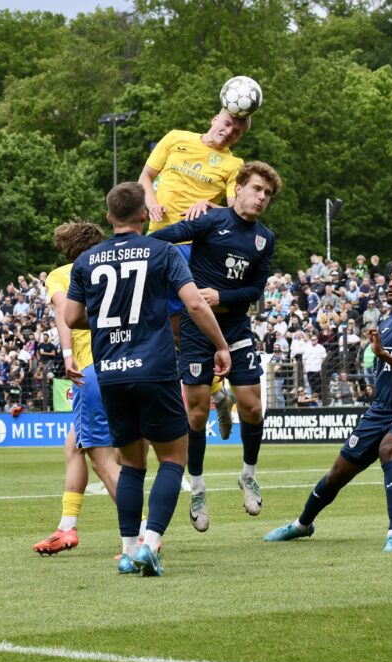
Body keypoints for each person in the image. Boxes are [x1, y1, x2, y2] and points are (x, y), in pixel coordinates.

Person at [65, 182, 231, 577]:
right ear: (145, 215)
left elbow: (72, 317)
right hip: (155, 368)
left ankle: (127, 550)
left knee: (132, 465)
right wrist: (220, 345)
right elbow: (193, 303)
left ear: (109, 217)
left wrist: (114, 319)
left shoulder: (86, 260)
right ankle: (151, 543)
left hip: (110, 374)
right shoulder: (164, 251)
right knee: (173, 459)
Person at [264, 263, 392, 552]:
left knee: (390, 448)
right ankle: (301, 525)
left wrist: (383, 354)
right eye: (390, 279)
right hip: (379, 410)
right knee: (336, 474)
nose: (391, 284)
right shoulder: (386, 323)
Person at [150, 161, 281, 531]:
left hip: (236, 326)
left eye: (267, 194)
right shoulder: (210, 220)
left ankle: (249, 474)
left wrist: (220, 295)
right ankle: (198, 486)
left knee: (252, 406)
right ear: (238, 186)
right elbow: (166, 235)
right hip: (196, 329)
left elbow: (255, 291)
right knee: (194, 414)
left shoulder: (264, 239)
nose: (261, 198)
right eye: (256, 189)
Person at [138, 108, 250, 440]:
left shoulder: (233, 165)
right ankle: (218, 393)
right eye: (228, 124)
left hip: (191, 247)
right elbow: (145, 177)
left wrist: (208, 205)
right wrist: (152, 201)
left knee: (187, 325)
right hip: (156, 241)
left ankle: (214, 388)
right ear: (216, 117)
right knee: (169, 332)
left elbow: (235, 211)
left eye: (237, 132)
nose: (229, 133)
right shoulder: (176, 138)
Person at [31, 222, 122, 556]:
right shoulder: (116, 264)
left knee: (103, 461)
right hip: (128, 364)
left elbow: (62, 309)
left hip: (91, 369)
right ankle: (66, 528)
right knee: (75, 446)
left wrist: (67, 355)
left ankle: (141, 533)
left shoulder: (62, 273)